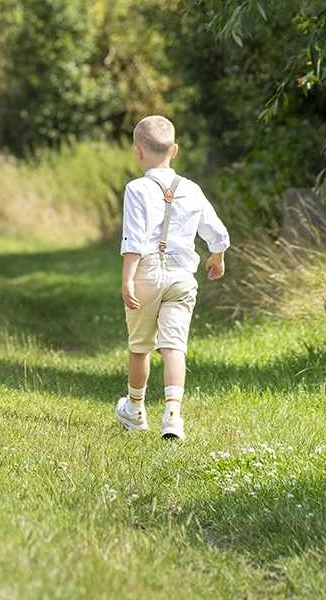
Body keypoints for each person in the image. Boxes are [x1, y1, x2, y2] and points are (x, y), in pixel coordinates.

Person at [116, 115, 229, 441]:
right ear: (175, 150)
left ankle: (135, 410)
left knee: (139, 346)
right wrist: (217, 256)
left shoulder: (136, 189)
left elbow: (134, 239)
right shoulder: (192, 190)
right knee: (174, 347)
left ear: (138, 153)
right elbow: (216, 231)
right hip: (182, 276)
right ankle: (173, 415)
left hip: (147, 275)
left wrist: (127, 279)